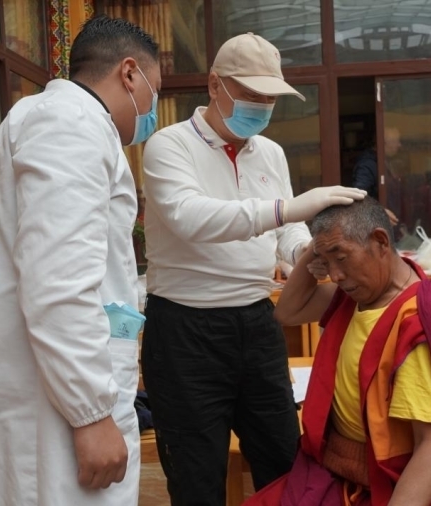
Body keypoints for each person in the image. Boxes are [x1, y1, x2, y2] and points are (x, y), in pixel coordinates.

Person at [140, 32, 366, 505]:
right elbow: (190, 218)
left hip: (258, 323)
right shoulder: (168, 146)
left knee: (283, 461)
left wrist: (308, 253)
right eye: (251, 95)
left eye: (270, 99)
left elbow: (286, 234)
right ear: (214, 84)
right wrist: (289, 208)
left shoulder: (269, 153)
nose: (261, 107)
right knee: (197, 476)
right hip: (185, 331)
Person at [0, 16, 161, 505]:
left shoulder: (58, 122)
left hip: (53, 389)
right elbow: (58, 281)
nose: (151, 112)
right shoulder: (71, 126)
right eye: (155, 93)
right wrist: (91, 414)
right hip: (58, 409)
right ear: (129, 73)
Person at [247, 198, 431, 505]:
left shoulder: (414, 321)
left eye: (341, 258)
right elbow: (287, 311)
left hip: (385, 482)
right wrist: (318, 248)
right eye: (326, 263)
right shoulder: (359, 295)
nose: (335, 275)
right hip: (335, 469)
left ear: (380, 241)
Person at [352, 126, 403, 227]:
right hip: (376, 226)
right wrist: (380, 213)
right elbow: (358, 197)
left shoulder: (382, 160)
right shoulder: (367, 165)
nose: (399, 145)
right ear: (384, 143)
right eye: (396, 141)